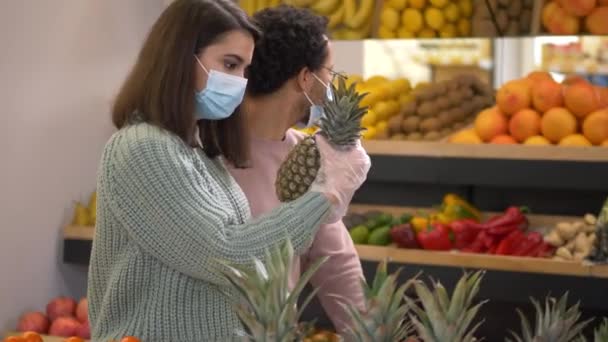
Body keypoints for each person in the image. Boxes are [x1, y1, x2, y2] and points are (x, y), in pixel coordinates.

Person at [86, 0, 371, 341]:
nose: (239, 82)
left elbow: (331, 259)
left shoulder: (193, 152)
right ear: (180, 56)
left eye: (244, 70)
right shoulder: (143, 147)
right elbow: (227, 255)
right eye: (230, 64)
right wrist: (325, 196)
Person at [228, 6, 366, 334]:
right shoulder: (207, 152)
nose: (332, 85)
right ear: (306, 78)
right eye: (330, 72)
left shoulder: (305, 152)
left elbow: (335, 260)